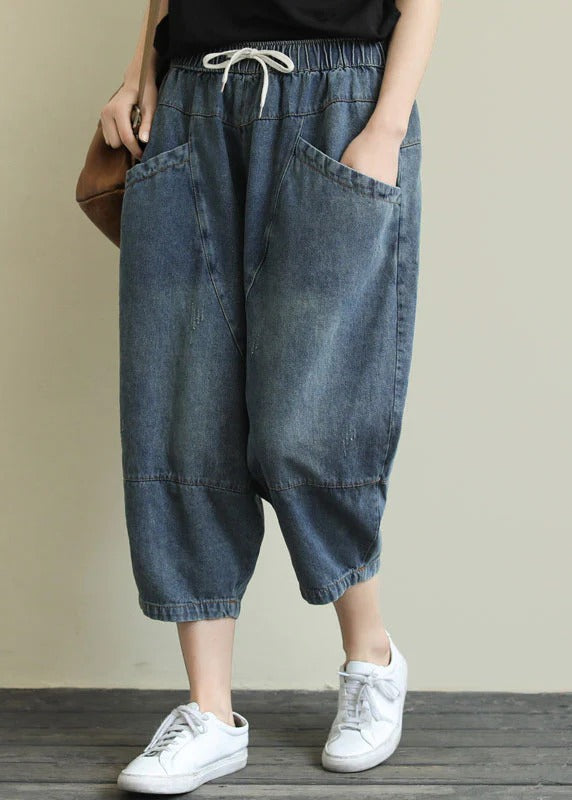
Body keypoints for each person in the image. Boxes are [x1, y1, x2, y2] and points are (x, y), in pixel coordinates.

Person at [100, 0, 441, 793]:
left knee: (309, 422)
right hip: (191, 98)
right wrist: (139, 74)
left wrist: (386, 128)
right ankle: (209, 713)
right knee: (180, 411)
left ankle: (372, 659)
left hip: (337, 101)